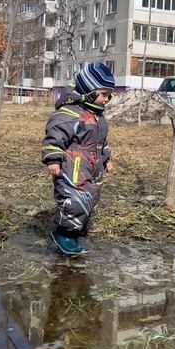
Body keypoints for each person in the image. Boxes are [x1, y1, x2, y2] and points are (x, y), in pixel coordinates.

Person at [42, 62, 114, 255]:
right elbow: (54, 136)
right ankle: (63, 233)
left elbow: (101, 141)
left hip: (91, 169)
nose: (107, 99)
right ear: (89, 92)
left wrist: (106, 158)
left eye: (109, 95)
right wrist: (53, 159)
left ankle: (76, 230)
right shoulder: (70, 114)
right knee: (73, 200)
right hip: (72, 169)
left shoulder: (97, 117)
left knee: (90, 198)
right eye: (104, 94)